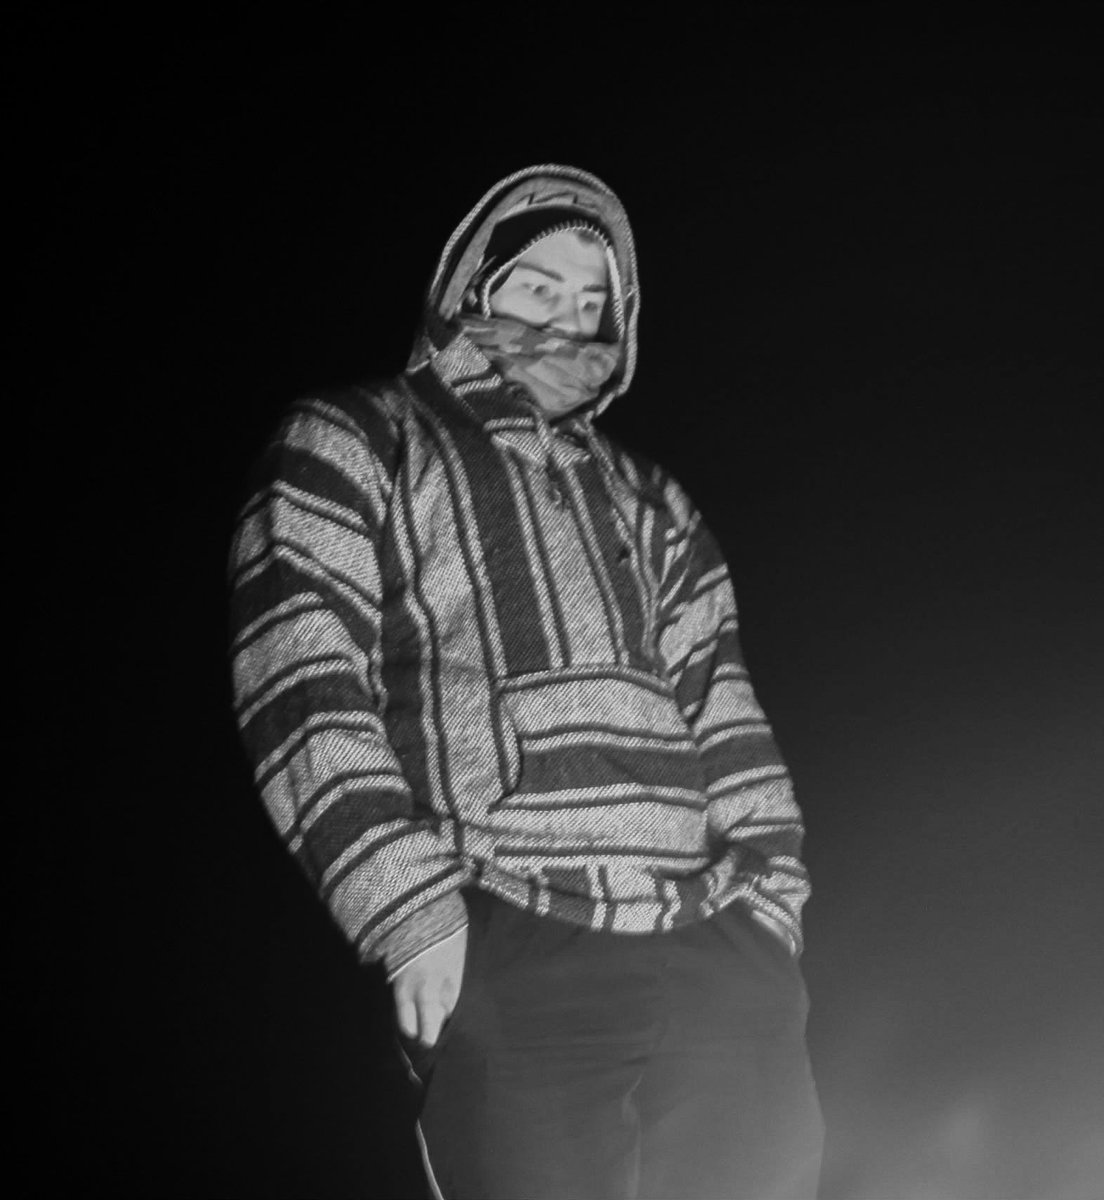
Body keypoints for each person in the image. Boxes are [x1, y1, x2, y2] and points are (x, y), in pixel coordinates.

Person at [229, 164, 824, 1199]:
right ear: (472, 289)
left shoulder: (653, 501)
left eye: (594, 300)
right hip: (511, 929)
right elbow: (299, 675)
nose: (570, 318)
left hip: (715, 945)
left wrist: (773, 908)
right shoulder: (358, 437)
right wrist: (407, 906)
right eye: (540, 285)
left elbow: (725, 705)